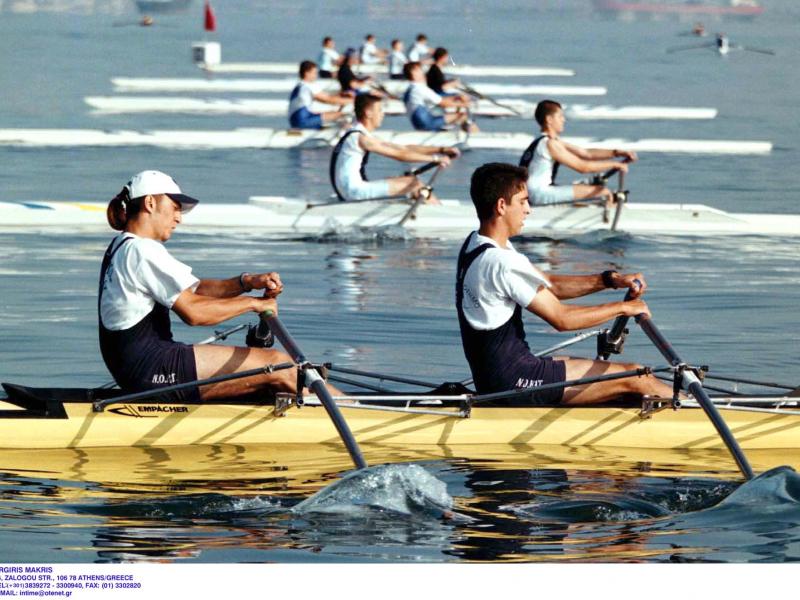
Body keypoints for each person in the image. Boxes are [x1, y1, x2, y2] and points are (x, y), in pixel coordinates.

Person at [457, 162, 677, 405]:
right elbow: (562, 319)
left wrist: (609, 280)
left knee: (606, 371)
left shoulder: (476, 245)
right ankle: (702, 415)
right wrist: (624, 308)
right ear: (501, 206)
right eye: (523, 201)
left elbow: (549, 285)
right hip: (515, 382)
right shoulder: (500, 262)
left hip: (500, 376)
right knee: (638, 376)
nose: (528, 209)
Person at [99, 170, 302, 402]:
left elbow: (196, 290)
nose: (179, 218)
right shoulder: (141, 251)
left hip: (136, 370)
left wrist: (246, 282)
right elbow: (194, 313)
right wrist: (253, 304)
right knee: (280, 366)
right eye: (175, 207)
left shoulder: (121, 246)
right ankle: (350, 416)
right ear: (150, 203)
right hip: (153, 370)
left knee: (268, 379)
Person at [330, 94, 460, 203]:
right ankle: (438, 212)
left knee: (408, 180)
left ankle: (430, 207)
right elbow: (400, 155)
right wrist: (436, 159)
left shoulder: (358, 134)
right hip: (353, 192)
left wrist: (441, 150)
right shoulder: (362, 138)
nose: (383, 114)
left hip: (348, 190)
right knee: (413, 184)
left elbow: (403, 148)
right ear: (368, 113)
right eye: (380, 110)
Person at [520, 99, 636, 207]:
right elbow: (583, 167)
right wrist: (615, 165)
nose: (563, 120)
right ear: (549, 120)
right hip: (538, 194)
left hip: (535, 192)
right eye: (560, 116)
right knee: (603, 192)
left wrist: (617, 153)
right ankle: (606, 221)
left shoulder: (548, 141)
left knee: (589, 188)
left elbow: (586, 154)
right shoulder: (550, 144)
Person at [403, 61, 477, 132]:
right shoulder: (420, 88)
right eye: (419, 69)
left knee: (451, 117)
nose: (422, 71)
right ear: (414, 73)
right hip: (428, 123)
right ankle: (475, 138)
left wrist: (455, 98)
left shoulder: (410, 89)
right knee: (463, 116)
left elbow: (438, 99)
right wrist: (463, 104)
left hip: (420, 123)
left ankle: (453, 132)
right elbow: (443, 103)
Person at [288, 61, 351, 130]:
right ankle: (347, 134)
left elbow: (328, 98)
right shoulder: (308, 86)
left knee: (335, 114)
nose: (316, 76)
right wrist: (354, 100)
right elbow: (329, 99)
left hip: (297, 120)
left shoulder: (300, 85)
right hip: (302, 121)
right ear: (307, 73)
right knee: (341, 115)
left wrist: (341, 96)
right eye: (314, 73)